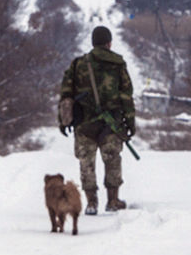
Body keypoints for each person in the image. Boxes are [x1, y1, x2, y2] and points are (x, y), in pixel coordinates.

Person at [58, 25, 136, 214]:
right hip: (111, 123)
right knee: (112, 160)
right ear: (109, 43)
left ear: (93, 43)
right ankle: (113, 200)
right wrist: (130, 123)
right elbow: (126, 95)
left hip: (84, 123)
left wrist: (63, 120)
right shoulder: (118, 64)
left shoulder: (78, 64)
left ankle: (91, 203)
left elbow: (66, 94)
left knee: (86, 163)